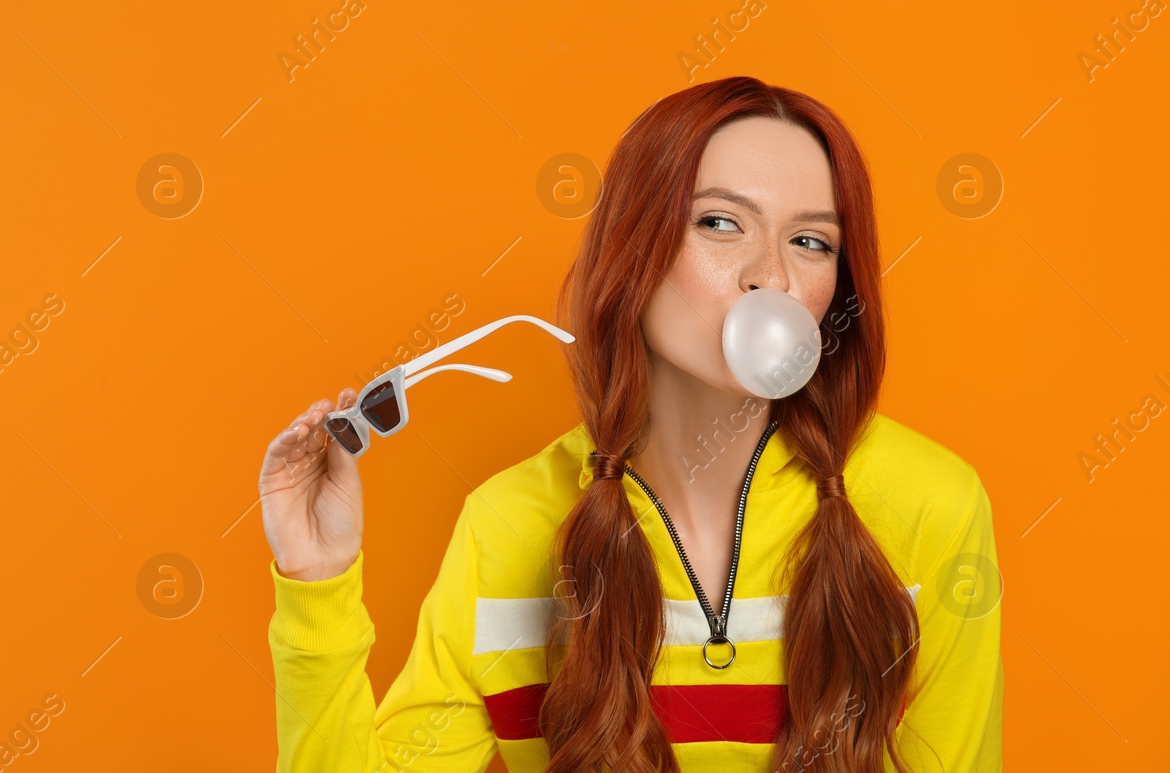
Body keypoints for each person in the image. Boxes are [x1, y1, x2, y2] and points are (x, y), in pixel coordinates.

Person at [257, 76, 1002, 772]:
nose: (769, 275)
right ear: (633, 251)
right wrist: (315, 583)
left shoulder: (929, 506)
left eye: (811, 241)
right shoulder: (509, 528)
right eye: (720, 222)